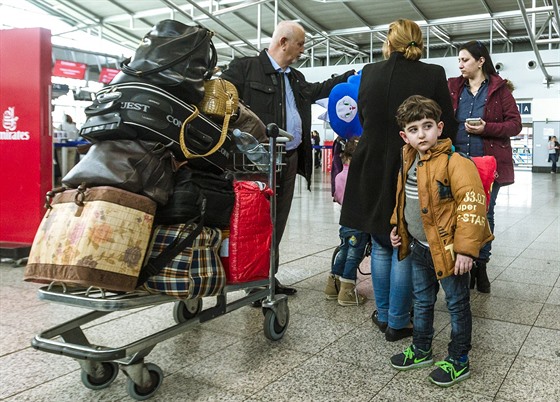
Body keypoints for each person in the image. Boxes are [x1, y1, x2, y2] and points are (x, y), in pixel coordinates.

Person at [340, 19, 458, 342]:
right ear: (418, 42)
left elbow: (364, 118)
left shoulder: (369, 72)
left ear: (388, 43)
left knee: (380, 242)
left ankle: (383, 312)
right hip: (410, 166)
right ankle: (398, 321)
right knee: (402, 242)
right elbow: (447, 123)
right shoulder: (432, 74)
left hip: (370, 165)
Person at [221, 21, 355, 297]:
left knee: (278, 220)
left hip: (289, 158)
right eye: (300, 44)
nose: (303, 50)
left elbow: (318, 90)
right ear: (283, 42)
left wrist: (348, 78)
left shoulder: (294, 78)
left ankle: (268, 277)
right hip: (255, 162)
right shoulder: (244, 69)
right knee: (255, 219)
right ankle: (252, 277)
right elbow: (224, 103)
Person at [389, 95, 493, 387]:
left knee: (457, 304)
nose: (421, 134)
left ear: (440, 127)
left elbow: (473, 206)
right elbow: (403, 200)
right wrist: (397, 227)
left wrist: (466, 251)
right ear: (404, 135)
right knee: (422, 301)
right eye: (413, 129)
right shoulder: (408, 160)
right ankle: (422, 349)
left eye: (427, 126)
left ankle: (459, 360)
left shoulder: (455, 162)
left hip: (450, 253)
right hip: (420, 249)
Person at [448, 41, 522, 293]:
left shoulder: (500, 90)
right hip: (458, 162)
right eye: (458, 60)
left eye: (465, 60)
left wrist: (486, 128)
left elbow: (515, 125)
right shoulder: (452, 87)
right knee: (461, 213)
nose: (460, 65)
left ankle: (481, 265)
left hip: (489, 164)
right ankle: (462, 263)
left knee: (484, 214)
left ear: (481, 61)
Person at [325, 136, 368, 306]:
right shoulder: (360, 177)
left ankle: (332, 285)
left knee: (343, 251)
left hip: (345, 221)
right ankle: (346, 292)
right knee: (354, 255)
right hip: (359, 223)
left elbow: (337, 197)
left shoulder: (340, 175)